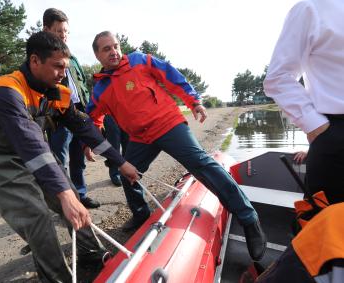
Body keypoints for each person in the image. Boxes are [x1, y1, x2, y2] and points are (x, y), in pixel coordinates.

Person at [0, 31, 138, 282]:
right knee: (36, 214)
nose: (62, 73)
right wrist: (65, 195)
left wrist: (120, 162)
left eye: (65, 67)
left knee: (71, 199)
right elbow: (28, 141)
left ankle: (90, 252)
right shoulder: (6, 91)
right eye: (57, 66)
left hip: (34, 149)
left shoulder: (56, 92)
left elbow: (84, 128)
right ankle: (56, 277)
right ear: (35, 61)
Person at [87, 31, 267, 261]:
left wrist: (194, 101)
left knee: (201, 164)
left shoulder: (140, 60)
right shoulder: (100, 89)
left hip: (168, 123)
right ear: (97, 55)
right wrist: (89, 143)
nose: (113, 51)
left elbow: (172, 76)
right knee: (127, 175)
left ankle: (249, 218)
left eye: (115, 46)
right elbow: (92, 119)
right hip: (141, 137)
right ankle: (142, 217)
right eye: (106, 49)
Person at [264, 0, 344, 204]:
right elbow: (278, 76)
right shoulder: (312, 8)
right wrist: (316, 126)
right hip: (335, 139)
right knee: (330, 229)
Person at [42, 8, 100, 209]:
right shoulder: (41, 59)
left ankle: (81, 195)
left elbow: (81, 87)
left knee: (78, 159)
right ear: (46, 29)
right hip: (58, 118)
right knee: (61, 161)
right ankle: (65, 203)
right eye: (58, 31)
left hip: (77, 113)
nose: (63, 35)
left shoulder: (72, 58)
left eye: (66, 31)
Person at [103, 115, 129, 186]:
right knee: (113, 147)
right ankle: (114, 173)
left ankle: (126, 171)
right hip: (109, 114)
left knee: (128, 145)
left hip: (125, 112)